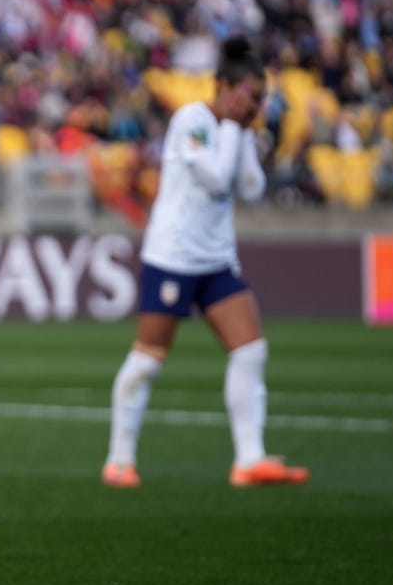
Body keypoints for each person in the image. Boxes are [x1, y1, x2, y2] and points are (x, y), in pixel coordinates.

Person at [100, 35, 308, 489]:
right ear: (226, 88)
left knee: (250, 350)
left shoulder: (238, 131)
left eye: (261, 100)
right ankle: (119, 460)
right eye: (252, 97)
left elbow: (251, 188)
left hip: (215, 258)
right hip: (173, 257)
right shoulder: (192, 121)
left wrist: (242, 135)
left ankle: (249, 460)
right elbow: (215, 180)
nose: (257, 107)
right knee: (150, 359)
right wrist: (234, 132)